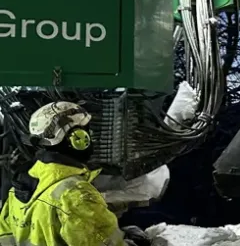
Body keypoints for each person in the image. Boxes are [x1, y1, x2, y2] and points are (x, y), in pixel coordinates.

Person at [0, 101, 149, 246]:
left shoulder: (20, 187)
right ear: (78, 139)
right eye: (87, 131)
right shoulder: (75, 196)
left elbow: (5, 237)